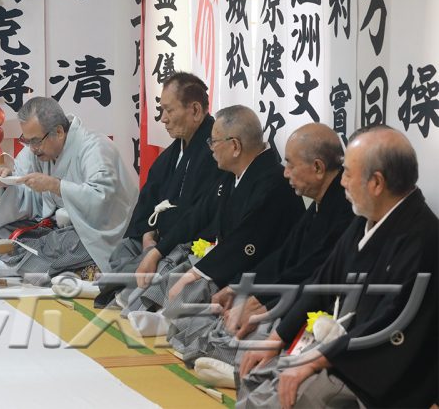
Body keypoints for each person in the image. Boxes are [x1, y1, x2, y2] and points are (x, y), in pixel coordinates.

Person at [237, 125, 438, 409]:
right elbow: (322, 282)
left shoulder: (422, 238)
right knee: (255, 374)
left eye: (347, 173)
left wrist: (314, 361)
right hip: (339, 354)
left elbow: (388, 323)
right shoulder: (365, 220)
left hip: (379, 376)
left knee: (293, 398)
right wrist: (275, 338)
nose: (342, 182)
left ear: (376, 183)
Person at [167, 123, 354, 370]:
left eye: (290, 165)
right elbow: (284, 255)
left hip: (313, 303)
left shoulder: (345, 210)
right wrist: (243, 286)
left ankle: (241, 370)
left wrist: (263, 301)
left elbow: (315, 272)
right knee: (212, 310)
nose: (285, 173)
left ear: (318, 167)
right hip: (279, 288)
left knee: (255, 327)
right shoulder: (321, 202)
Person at [123, 105, 305, 330]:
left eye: (214, 142)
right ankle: (153, 309)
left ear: (235, 146)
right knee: (170, 262)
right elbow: (197, 215)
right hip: (229, 260)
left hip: (260, 271)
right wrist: (158, 251)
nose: (210, 149)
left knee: (198, 282)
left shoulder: (273, 183)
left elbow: (244, 240)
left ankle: (170, 321)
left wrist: (196, 273)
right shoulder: (232, 176)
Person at [95, 72, 224, 307]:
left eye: (169, 110)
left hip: (181, 243)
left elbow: (197, 215)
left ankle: (120, 289)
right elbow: (148, 198)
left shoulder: (215, 154)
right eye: (161, 110)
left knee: (161, 267)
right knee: (124, 248)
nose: (163, 119)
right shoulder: (174, 152)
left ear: (195, 111)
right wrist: (146, 234)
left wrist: (157, 248)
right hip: (156, 239)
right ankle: (119, 286)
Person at [0, 97, 138, 282]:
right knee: (7, 231)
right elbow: (23, 179)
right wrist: (8, 178)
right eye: (26, 141)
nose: (32, 149)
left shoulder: (94, 148)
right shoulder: (38, 148)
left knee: (57, 244)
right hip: (58, 224)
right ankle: (48, 266)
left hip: (98, 231)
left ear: (58, 132)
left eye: (35, 141)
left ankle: (25, 266)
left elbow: (102, 199)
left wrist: (55, 185)